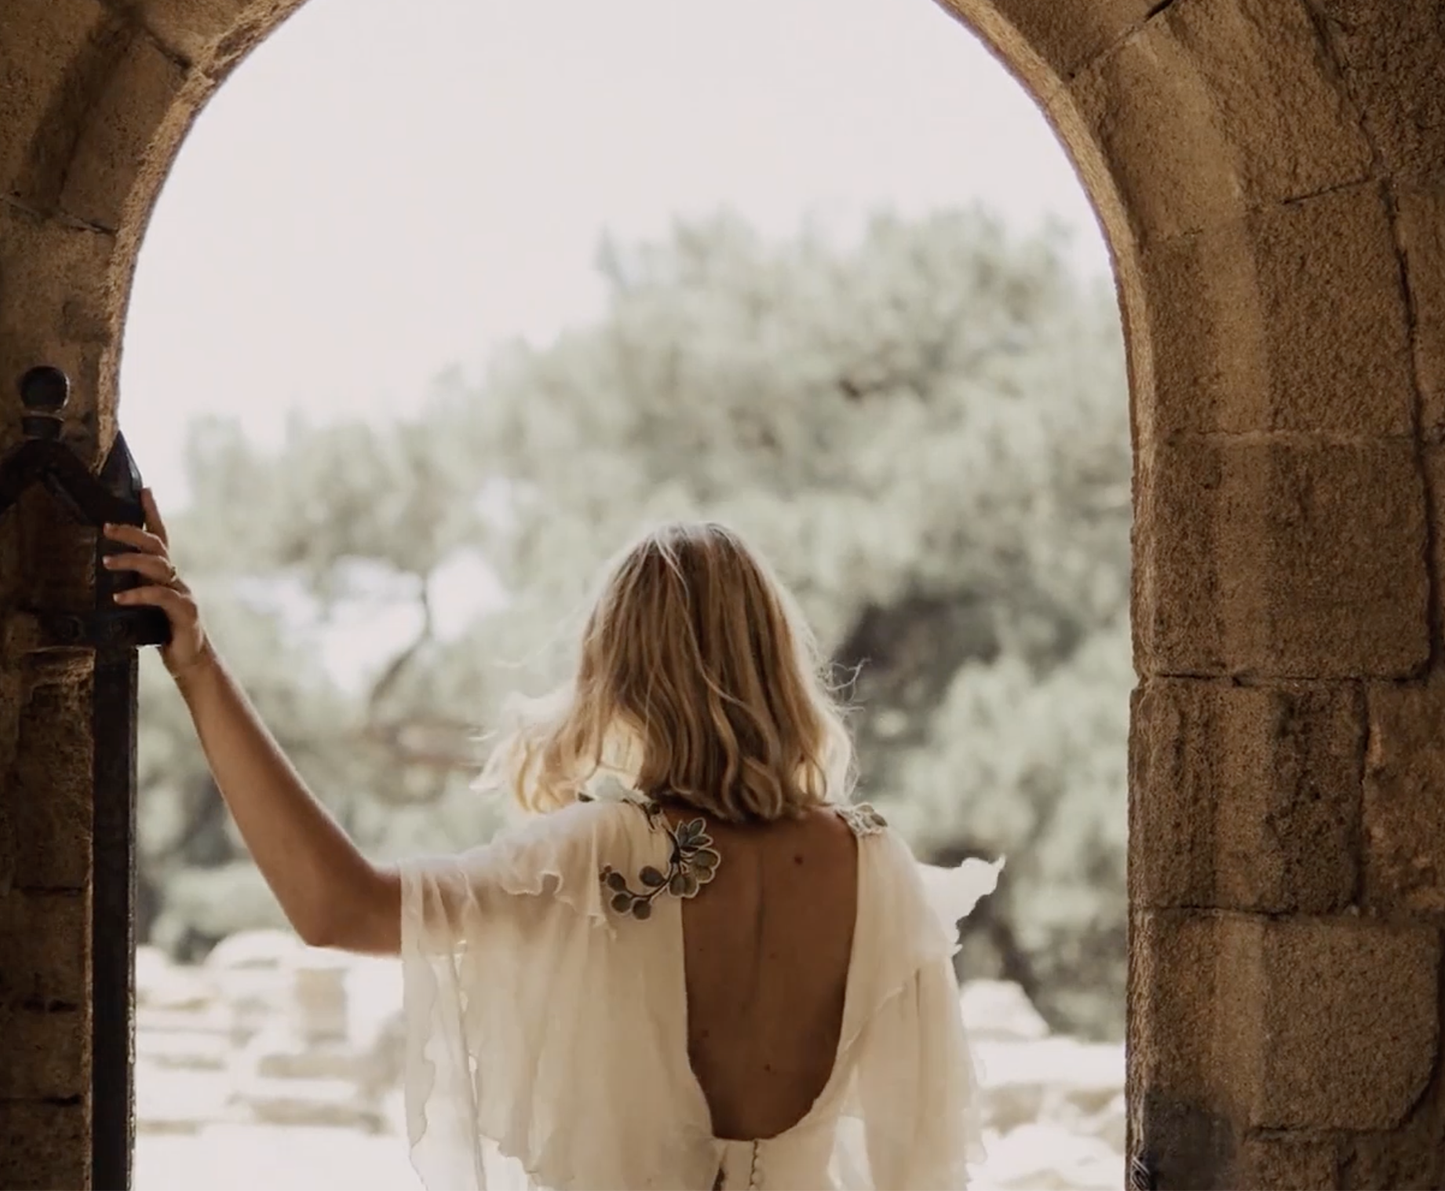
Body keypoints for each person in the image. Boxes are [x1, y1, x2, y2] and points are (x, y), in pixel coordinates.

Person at [107, 492, 1003, 1191]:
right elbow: (920, 1156)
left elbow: (337, 907)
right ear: (776, 661)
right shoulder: (874, 863)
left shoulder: (600, 855)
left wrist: (200, 667)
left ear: (618, 671)